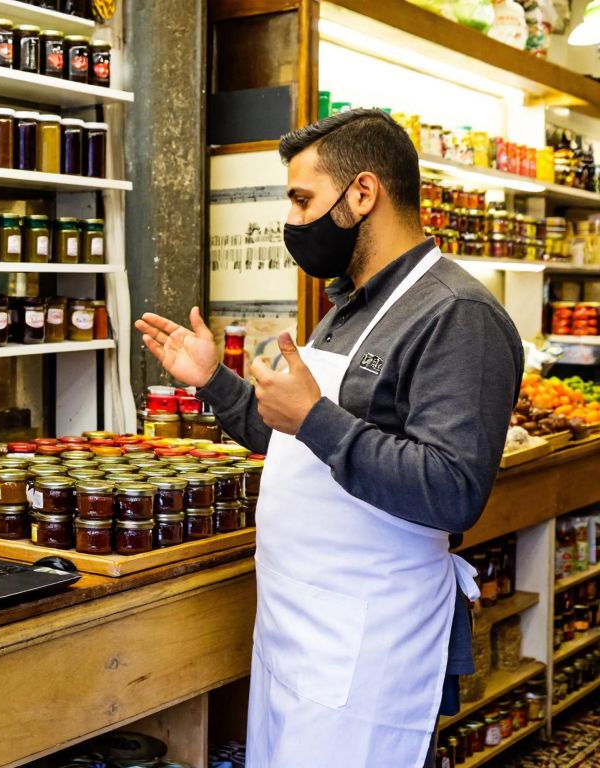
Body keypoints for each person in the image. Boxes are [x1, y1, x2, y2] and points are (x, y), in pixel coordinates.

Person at [135, 108, 522, 767]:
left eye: (301, 199)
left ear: (363, 192)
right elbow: (299, 441)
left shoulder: (457, 314)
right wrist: (215, 382)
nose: (293, 220)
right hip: (299, 631)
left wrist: (316, 418)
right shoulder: (350, 306)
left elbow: (453, 488)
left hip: (371, 643)